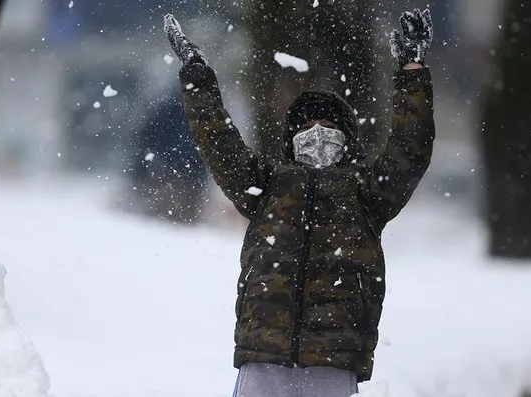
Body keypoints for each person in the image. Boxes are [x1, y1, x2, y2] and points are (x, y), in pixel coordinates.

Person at [164, 8, 435, 397]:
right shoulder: (265, 185)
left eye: (328, 127)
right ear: (290, 140)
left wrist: (412, 71)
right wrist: (197, 77)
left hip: (334, 359)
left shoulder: (367, 194)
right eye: (306, 127)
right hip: (264, 356)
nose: (317, 134)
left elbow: (411, 148)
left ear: (348, 140)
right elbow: (219, 143)